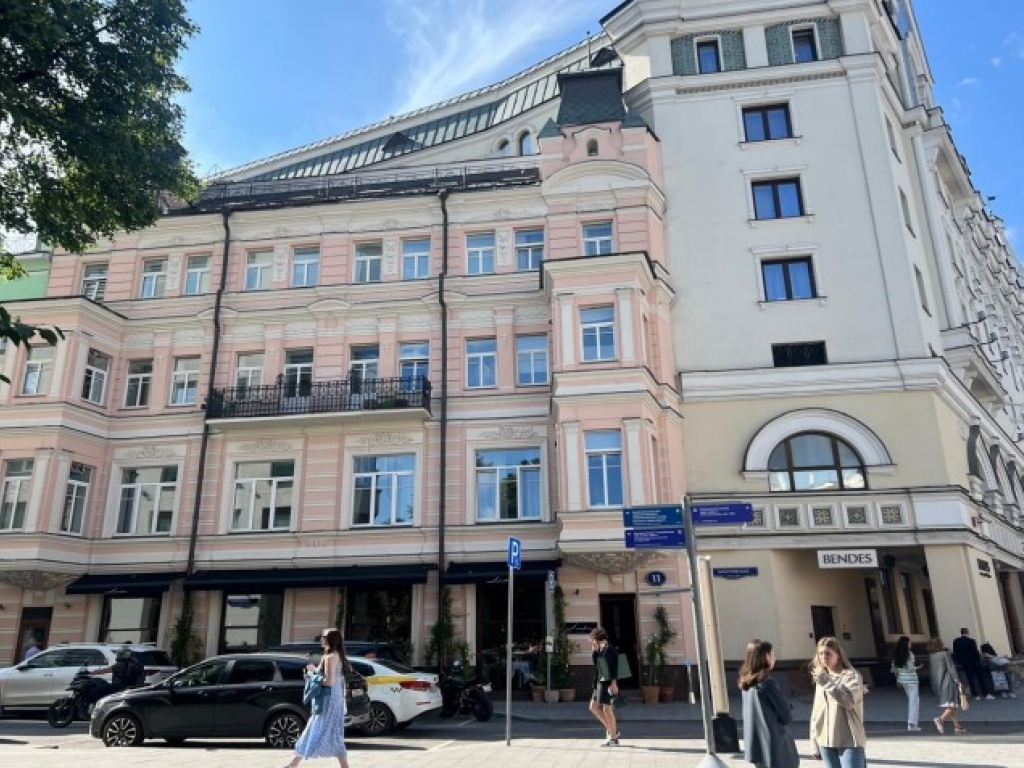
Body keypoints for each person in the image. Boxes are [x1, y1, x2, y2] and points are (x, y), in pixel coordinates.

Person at [284, 627, 351, 768]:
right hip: (334, 698)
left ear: (331, 640)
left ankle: (293, 764)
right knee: (331, 731)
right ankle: (293, 764)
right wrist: (315, 671)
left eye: (324, 637)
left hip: (328, 699)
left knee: (318, 729)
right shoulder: (335, 655)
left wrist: (312, 675)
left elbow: (329, 681)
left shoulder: (330, 657)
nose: (321, 639)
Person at [738, 639, 799, 768]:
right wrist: (789, 707)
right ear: (766, 656)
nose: (774, 658)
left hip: (758, 745)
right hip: (774, 744)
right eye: (773, 654)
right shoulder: (767, 682)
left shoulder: (746, 682)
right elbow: (786, 715)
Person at [809, 636, 865, 768]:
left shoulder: (851, 675)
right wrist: (814, 742)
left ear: (838, 655)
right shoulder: (821, 677)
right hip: (825, 741)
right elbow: (816, 713)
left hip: (849, 740)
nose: (824, 657)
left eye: (828, 653)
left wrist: (827, 682)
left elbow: (848, 702)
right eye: (820, 653)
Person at [588, 627, 621, 747]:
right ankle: (613, 731)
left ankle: (613, 738)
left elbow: (614, 667)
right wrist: (595, 651)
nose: (591, 642)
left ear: (598, 638)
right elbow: (597, 665)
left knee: (607, 709)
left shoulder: (610, 649)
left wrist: (614, 683)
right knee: (593, 707)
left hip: (607, 683)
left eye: (592, 639)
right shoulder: (600, 649)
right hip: (599, 682)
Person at [927, 636, 966, 735]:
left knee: (950, 705)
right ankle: (940, 719)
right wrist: (958, 681)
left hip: (938, 683)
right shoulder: (945, 654)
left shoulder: (932, 656)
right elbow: (951, 668)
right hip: (948, 682)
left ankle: (957, 726)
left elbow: (931, 672)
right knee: (952, 705)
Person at [952, 627, 993, 701]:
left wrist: (959, 661)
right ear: (967, 632)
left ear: (961, 632)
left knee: (970, 679)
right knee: (980, 678)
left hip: (965, 663)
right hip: (974, 662)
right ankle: (986, 694)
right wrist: (979, 660)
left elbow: (956, 652)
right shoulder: (971, 641)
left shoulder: (956, 641)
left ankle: (976, 695)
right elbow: (975, 651)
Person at [890, 635, 921, 731]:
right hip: (912, 679)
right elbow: (911, 668)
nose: (911, 644)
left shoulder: (896, 654)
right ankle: (912, 723)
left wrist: (897, 680)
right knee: (914, 700)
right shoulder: (910, 654)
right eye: (909, 642)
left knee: (911, 699)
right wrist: (919, 667)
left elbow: (894, 669)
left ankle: (912, 723)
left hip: (902, 679)